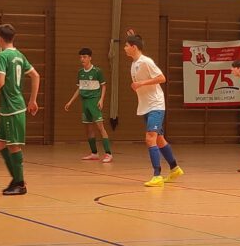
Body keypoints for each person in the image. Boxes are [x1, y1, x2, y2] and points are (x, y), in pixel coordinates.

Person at [0, 24, 39, 196]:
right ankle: (16, 178)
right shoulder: (19, 55)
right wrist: (32, 100)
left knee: (13, 146)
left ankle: (20, 184)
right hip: (9, 108)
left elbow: (0, 81)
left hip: (13, 107)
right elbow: (36, 75)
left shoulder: (2, 55)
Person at [122, 29, 182, 187]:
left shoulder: (146, 62)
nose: (124, 48)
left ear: (134, 47)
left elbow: (162, 78)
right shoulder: (134, 64)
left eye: (127, 45)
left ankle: (157, 175)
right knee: (159, 140)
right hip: (145, 106)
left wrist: (141, 83)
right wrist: (133, 36)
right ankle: (175, 168)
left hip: (156, 104)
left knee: (150, 138)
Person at [76, 48, 113, 162]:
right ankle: (94, 153)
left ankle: (108, 154)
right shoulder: (80, 72)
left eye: (84, 57)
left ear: (90, 58)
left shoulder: (97, 71)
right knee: (89, 129)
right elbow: (79, 88)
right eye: (81, 57)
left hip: (94, 102)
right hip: (85, 102)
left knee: (100, 127)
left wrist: (101, 100)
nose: (82, 59)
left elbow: (104, 86)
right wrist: (70, 101)